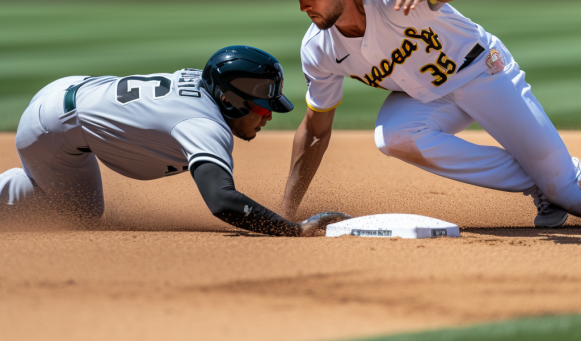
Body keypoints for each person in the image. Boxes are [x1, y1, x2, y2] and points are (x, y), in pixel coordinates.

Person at [274, 0, 581, 228]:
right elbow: (315, 131)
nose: (303, 6)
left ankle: (561, 179)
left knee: (568, 194)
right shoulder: (318, 49)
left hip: (482, 72)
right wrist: (285, 213)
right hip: (427, 97)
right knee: (392, 136)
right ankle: (542, 181)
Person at [0, 45, 348, 236]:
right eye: (261, 107)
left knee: (67, 200)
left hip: (67, 92)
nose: (269, 116)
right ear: (230, 101)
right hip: (51, 131)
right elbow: (222, 202)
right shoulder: (204, 124)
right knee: (81, 215)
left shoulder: (205, 83)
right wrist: (292, 229)